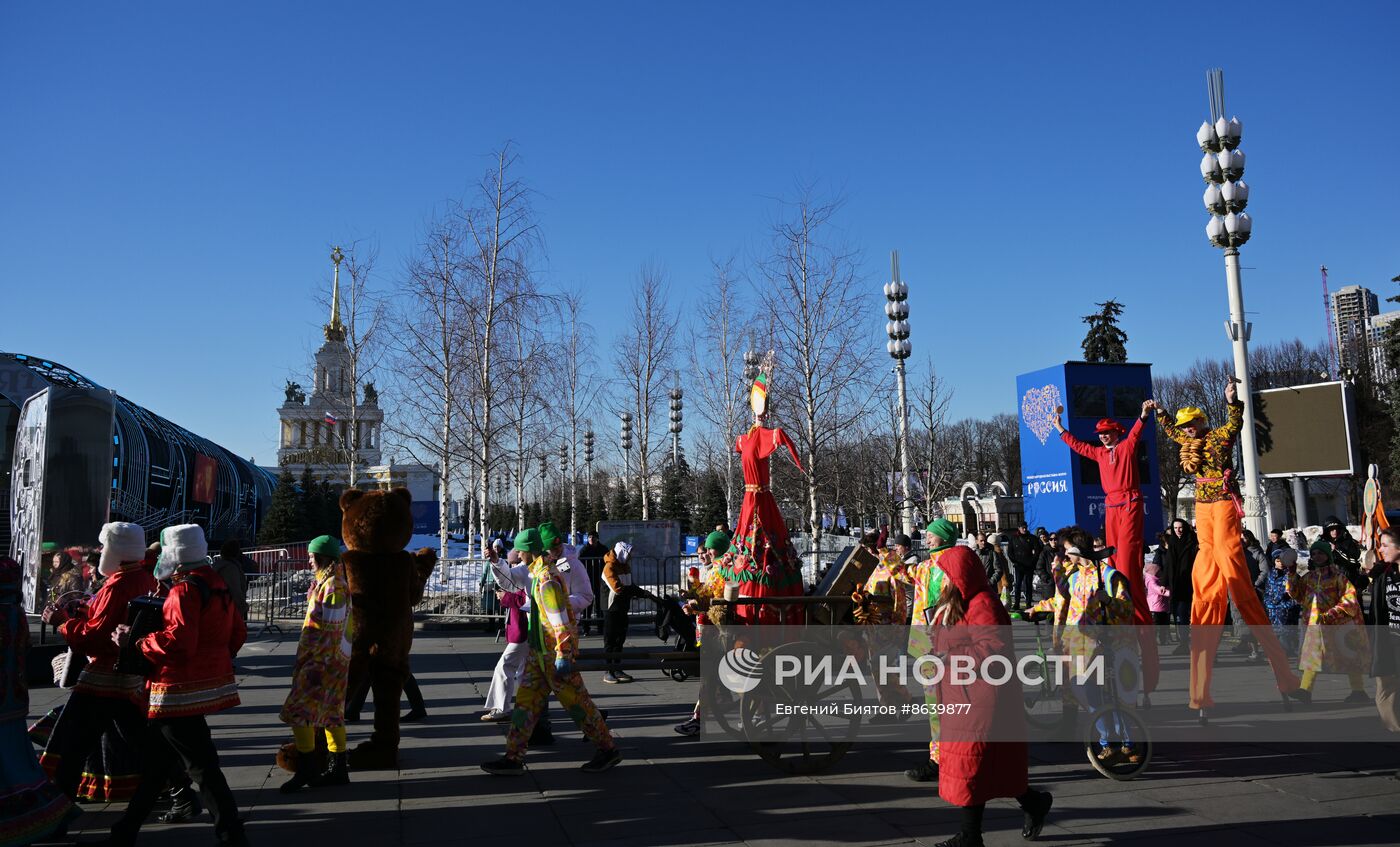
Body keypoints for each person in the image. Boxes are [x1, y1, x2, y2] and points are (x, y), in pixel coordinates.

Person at [1154, 382, 1302, 715]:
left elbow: (1235, 425)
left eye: (1191, 423)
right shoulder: (1186, 442)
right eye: (1184, 425)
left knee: (1232, 570)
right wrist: (1160, 413)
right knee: (1205, 578)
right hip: (1203, 511)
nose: (1187, 429)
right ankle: (1200, 692)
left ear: (1201, 421)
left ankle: (1281, 673)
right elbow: (1169, 432)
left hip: (1222, 505)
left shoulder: (1217, 437)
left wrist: (1232, 401)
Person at [107, 524, 247, 846]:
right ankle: (124, 832)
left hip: (176, 690)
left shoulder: (184, 589)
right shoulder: (216, 582)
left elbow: (180, 641)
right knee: (161, 765)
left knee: (202, 769)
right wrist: (214, 661)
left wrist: (136, 641)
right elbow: (237, 633)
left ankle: (232, 836)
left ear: (175, 554)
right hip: (202, 685)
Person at [925, 544, 1053, 847]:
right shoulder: (959, 601)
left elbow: (992, 649)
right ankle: (1033, 803)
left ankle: (971, 837)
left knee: (973, 764)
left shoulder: (984, 603)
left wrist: (947, 656)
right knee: (982, 766)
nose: (941, 580)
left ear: (960, 575)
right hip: (963, 694)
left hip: (982, 697)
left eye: (945, 575)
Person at [480, 529, 620, 775]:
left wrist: (563, 653)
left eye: (520, 550)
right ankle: (513, 757)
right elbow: (509, 579)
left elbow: (560, 619)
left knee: (578, 704)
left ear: (530, 550)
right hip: (538, 653)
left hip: (553, 655)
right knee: (525, 705)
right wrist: (496, 561)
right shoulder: (536, 573)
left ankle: (607, 749)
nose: (518, 554)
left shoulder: (546, 580)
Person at [38, 522, 155, 803]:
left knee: (72, 742)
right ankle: (174, 786)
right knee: (137, 737)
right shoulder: (143, 578)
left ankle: (59, 803)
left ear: (115, 550)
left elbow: (93, 636)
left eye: (105, 546)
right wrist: (82, 611)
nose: (101, 551)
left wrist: (62, 623)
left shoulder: (117, 585)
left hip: (103, 675)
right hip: (128, 675)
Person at [1052, 402, 1158, 694]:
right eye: (1100, 434)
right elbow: (1078, 446)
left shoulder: (1125, 447)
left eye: (1107, 434)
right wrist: (1060, 428)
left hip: (1129, 503)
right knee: (1111, 555)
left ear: (1115, 433)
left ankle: (1127, 581)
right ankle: (1114, 580)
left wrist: (1143, 415)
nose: (1103, 438)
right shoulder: (1099, 453)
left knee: (1125, 556)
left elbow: (1136, 433)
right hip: (1112, 505)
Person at [718, 353, 807, 624]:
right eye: (758, 409)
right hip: (750, 497)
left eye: (762, 409)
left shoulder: (760, 437)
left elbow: (781, 436)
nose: (760, 414)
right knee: (751, 544)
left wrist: (798, 462)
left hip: (759, 497)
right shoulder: (744, 439)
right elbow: (775, 438)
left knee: (766, 544)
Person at [2, 557, 76, 846]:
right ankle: (47, 817)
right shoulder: (16, 613)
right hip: (14, 699)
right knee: (20, 759)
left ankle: (24, 823)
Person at [279, 535, 354, 792]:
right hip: (330, 662)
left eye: (312, 556)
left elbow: (331, 630)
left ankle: (308, 767)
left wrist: (314, 664)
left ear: (322, 558)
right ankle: (337, 768)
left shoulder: (334, 586)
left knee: (298, 712)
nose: (309, 561)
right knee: (332, 714)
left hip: (322, 663)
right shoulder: (328, 583)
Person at [904, 518, 958, 783]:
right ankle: (946, 756)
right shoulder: (930, 565)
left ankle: (940, 759)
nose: (926, 538)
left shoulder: (943, 565)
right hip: (933, 643)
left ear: (944, 537)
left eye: (931, 535)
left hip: (937, 643)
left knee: (939, 704)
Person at [1286, 539, 1370, 704]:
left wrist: (1330, 615)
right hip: (1315, 625)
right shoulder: (1309, 577)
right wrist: (1292, 573)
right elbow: (1296, 594)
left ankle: (1358, 691)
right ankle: (1305, 690)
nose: (1317, 556)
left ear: (1328, 555)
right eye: (1314, 553)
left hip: (1338, 625)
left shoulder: (1339, 578)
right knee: (1312, 655)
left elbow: (1349, 601)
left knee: (1349, 654)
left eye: (1321, 553)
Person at [674, 531, 733, 736]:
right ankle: (708, 710)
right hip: (712, 623)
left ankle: (700, 719)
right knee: (711, 673)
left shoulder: (722, 567)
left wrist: (695, 603)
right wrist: (694, 596)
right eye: (706, 549)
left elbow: (711, 596)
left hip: (717, 627)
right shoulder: (719, 566)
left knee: (709, 673)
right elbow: (707, 592)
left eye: (711, 548)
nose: (707, 552)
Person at [1362, 527, 1400, 765]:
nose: (1381, 549)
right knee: (1383, 695)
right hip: (1389, 642)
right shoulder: (1385, 574)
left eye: (1385, 545)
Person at [602, 541, 648, 684]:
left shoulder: (625, 566)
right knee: (610, 639)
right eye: (628, 554)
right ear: (622, 553)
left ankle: (617, 668)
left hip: (622, 607)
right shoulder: (609, 567)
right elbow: (618, 588)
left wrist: (643, 593)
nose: (630, 557)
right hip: (611, 608)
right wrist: (633, 592)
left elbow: (630, 585)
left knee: (619, 639)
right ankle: (608, 670)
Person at [481, 584, 529, 722]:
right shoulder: (519, 572)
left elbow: (526, 601)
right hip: (521, 629)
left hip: (523, 630)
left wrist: (506, 597)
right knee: (523, 671)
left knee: (504, 667)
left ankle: (501, 708)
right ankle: (528, 707)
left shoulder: (526, 572)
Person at [1160, 519, 1198, 653]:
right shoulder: (1172, 543)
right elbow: (1168, 564)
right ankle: (1184, 643)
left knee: (1187, 613)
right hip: (1176, 583)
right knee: (1180, 614)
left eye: (1180, 527)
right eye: (1175, 528)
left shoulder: (1192, 542)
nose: (1178, 530)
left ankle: (1190, 643)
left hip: (1191, 583)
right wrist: (1163, 583)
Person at [1257, 547, 1301, 657]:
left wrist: (1289, 604)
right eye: (1277, 561)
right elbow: (1267, 591)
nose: (1280, 563)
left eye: (1282, 561)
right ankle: (1279, 653)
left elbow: (1297, 593)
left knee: (1287, 634)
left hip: (1288, 609)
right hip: (1273, 609)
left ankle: (1288, 652)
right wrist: (1268, 603)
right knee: (1275, 632)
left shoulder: (1291, 575)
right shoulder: (1270, 575)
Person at [1323, 518, 1367, 594]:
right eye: (1332, 529)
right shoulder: (1322, 543)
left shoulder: (1349, 542)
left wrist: (1337, 550)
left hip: (1348, 580)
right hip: (1328, 582)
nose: (1335, 532)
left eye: (1337, 529)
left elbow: (1355, 560)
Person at [1005, 524, 1042, 612]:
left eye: (1025, 527)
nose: (1024, 529)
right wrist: (1015, 562)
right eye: (1022, 528)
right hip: (1019, 565)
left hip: (1029, 565)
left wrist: (1032, 561)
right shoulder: (1014, 538)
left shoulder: (1032, 538)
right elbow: (1010, 552)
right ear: (1019, 528)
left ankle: (1028, 603)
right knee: (1018, 584)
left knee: (1028, 585)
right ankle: (1016, 603)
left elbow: (1037, 551)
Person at [214, 540, 253, 621]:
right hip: (229, 608)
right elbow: (235, 589)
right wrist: (243, 606)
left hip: (219, 607)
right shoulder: (230, 568)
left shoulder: (218, 565)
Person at [973, 533, 1007, 602]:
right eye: (981, 541)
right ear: (976, 541)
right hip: (976, 589)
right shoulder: (973, 554)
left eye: (985, 540)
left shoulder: (992, 553)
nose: (983, 542)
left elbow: (999, 570)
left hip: (990, 589)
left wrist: (990, 582)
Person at [1145, 562, 1172, 645]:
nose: (1161, 573)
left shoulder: (1158, 580)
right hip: (1155, 608)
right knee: (1157, 626)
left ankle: (1163, 639)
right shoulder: (1151, 581)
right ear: (1154, 572)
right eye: (1159, 571)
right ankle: (1156, 640)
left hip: (1162, 606)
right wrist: (1170, 592)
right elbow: (1158, 590)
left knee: (1164, 625)